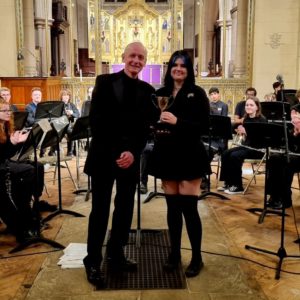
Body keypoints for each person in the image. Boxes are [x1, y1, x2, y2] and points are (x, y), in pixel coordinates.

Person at [83, 42, 155, 288]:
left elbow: (145, 127)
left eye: (141, 57)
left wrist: (133, 153)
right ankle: (92, 260)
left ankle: (116, 253)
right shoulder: (104, 82)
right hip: (104, 156)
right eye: (133, 56)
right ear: (124, 57)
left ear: (145, 61)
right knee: (100, 211)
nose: (136, 60)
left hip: (130, 160)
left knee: (124, 209)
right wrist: (119, 152)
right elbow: (97, 122)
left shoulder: (147, 90)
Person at [148, 50, 210, 277]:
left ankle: (196, 257)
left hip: (190, 154)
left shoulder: (197, 93)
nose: (179, 69)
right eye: (175, 65)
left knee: (189, 208)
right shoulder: (161, 93)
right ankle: (174, 254)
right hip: (167, 153)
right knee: (172, 208)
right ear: (170, 67)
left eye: (183, 66)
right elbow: (154, 120)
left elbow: (203, 126)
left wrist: (177, 121)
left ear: (189, 69)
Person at [0, 97, 38, 242]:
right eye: (3, 110)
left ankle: (27, 213)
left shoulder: (5, 125)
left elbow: (6, 154)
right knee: (2, 198)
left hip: (2, 164)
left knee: (31, 169)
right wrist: (12, 142)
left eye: (8, 109)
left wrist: (15, 143)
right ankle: (20, 231)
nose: (8, 112)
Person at [218, 96, 267, 194]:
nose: (248, 107)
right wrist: (240, 131)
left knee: (235, 156)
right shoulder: (246, 118)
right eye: (247, 105)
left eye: (251, 105)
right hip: (246, 146)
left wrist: (247, 132)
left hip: (257, 149)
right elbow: (245, 137)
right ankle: (228, 182)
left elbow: (261, 139)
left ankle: (237, 186)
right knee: (225, 153)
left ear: (257, 107)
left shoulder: (262, 119)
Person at [266, 103, 300, 209]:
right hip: (292, 155)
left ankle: (285, 199)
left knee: (286, 166)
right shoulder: (291, 127)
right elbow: (289, 146)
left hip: (298, 157)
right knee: (273, 159)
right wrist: (294, 132)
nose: (293, 116)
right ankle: (274, 196)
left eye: (296, 113)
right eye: (292, 114)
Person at [201, 87, 228, 189]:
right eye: (211, 94)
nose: (213, 96)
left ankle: (203, 177)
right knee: (200, 152)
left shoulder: (223, 105)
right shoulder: (207, 106)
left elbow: (223, 123)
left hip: (218, 139)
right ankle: (204, 177)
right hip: (207, 137)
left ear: (218, 94)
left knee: (208, 153)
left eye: (215, 94)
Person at [48, 88, 80, 156]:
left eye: (67, 95)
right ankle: (52, 150)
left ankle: (70, 151)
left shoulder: (71, 105)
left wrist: (71, 113)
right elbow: (55, 116)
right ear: (61, 96)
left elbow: (77, 114)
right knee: (58, 132)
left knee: (71, 132)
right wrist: (65, 115)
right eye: (64, 95)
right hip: (60, 126)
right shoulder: (58, 105)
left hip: (68, 126)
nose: (66, 97)